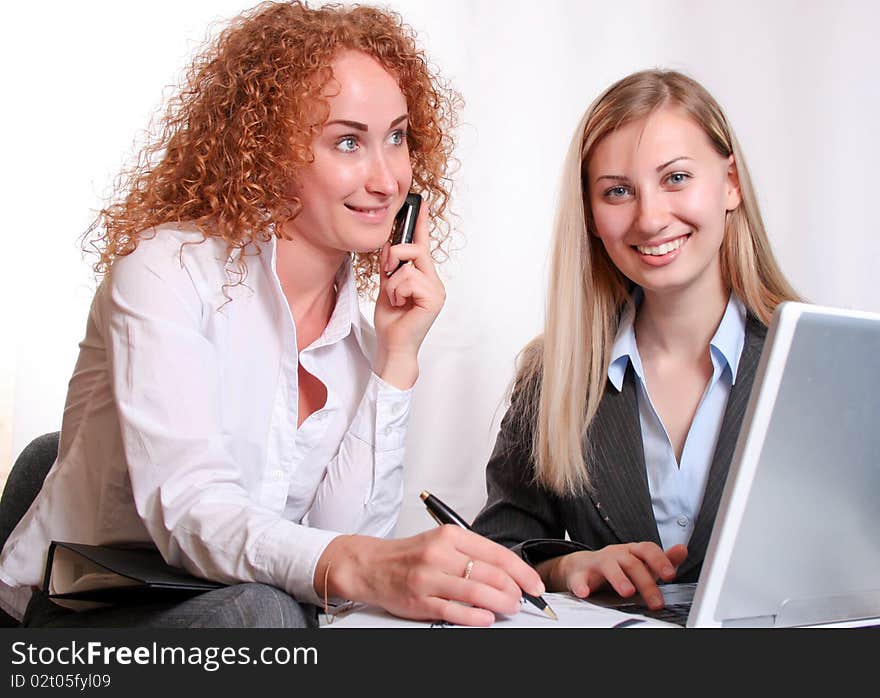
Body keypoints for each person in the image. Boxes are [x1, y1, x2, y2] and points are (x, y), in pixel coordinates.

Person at [0, 0, 543, 628]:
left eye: (397, 137)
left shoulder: (361, 341)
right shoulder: (166, 271)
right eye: (348, 142)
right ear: (265, 152)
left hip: (229, 607)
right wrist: (364, 567)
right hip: (76, 611)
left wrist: (396, 360)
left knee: (286, 618)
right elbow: (193, 512)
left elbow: (340, 560)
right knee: (267, 616)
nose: (388, 178)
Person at [472, 69, 800, 611]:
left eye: (675, 179)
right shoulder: (552, 376)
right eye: (618, 191)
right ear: (592, 216)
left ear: (731, 184)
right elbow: (496, 550)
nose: (649, 219)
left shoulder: (818, 362)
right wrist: (567, 565)